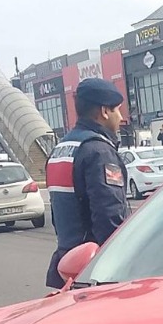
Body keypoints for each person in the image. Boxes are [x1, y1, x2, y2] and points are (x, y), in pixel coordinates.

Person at [45, 77, 129, 289]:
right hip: (95, 272)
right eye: (117, 110)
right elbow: (109, 217)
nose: (121, 117)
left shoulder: (61, 149)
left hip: (67, 266)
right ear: (104, 111)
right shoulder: (99, 152)